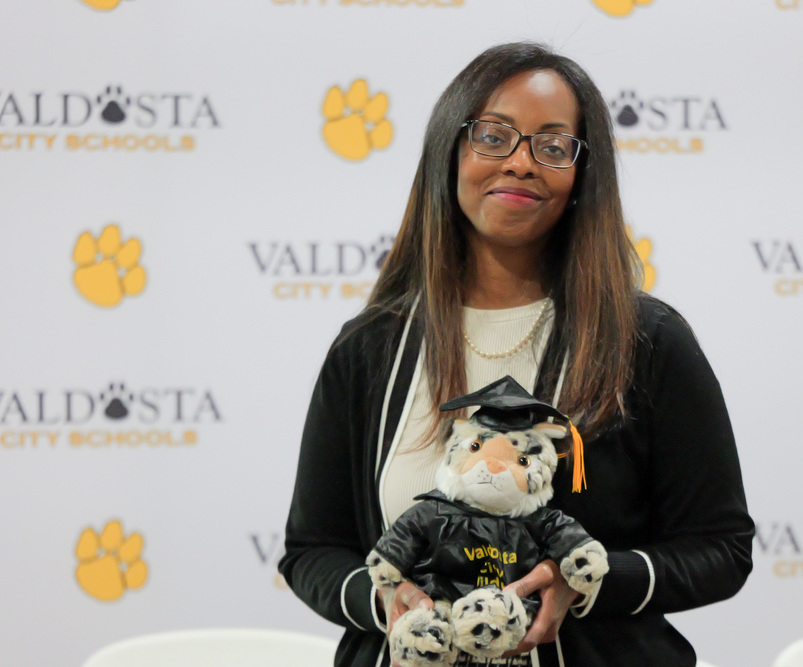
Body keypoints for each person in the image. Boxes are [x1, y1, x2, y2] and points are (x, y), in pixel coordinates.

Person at [279, 41, 753, 667]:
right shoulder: (371, 347)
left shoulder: (645, 340)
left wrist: (587, 582)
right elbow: (312, 548)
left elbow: (722, 549)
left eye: (553, 146)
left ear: (583, 175)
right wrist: (386, 598)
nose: (523, 163)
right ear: (450, 150)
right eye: (494, 136)